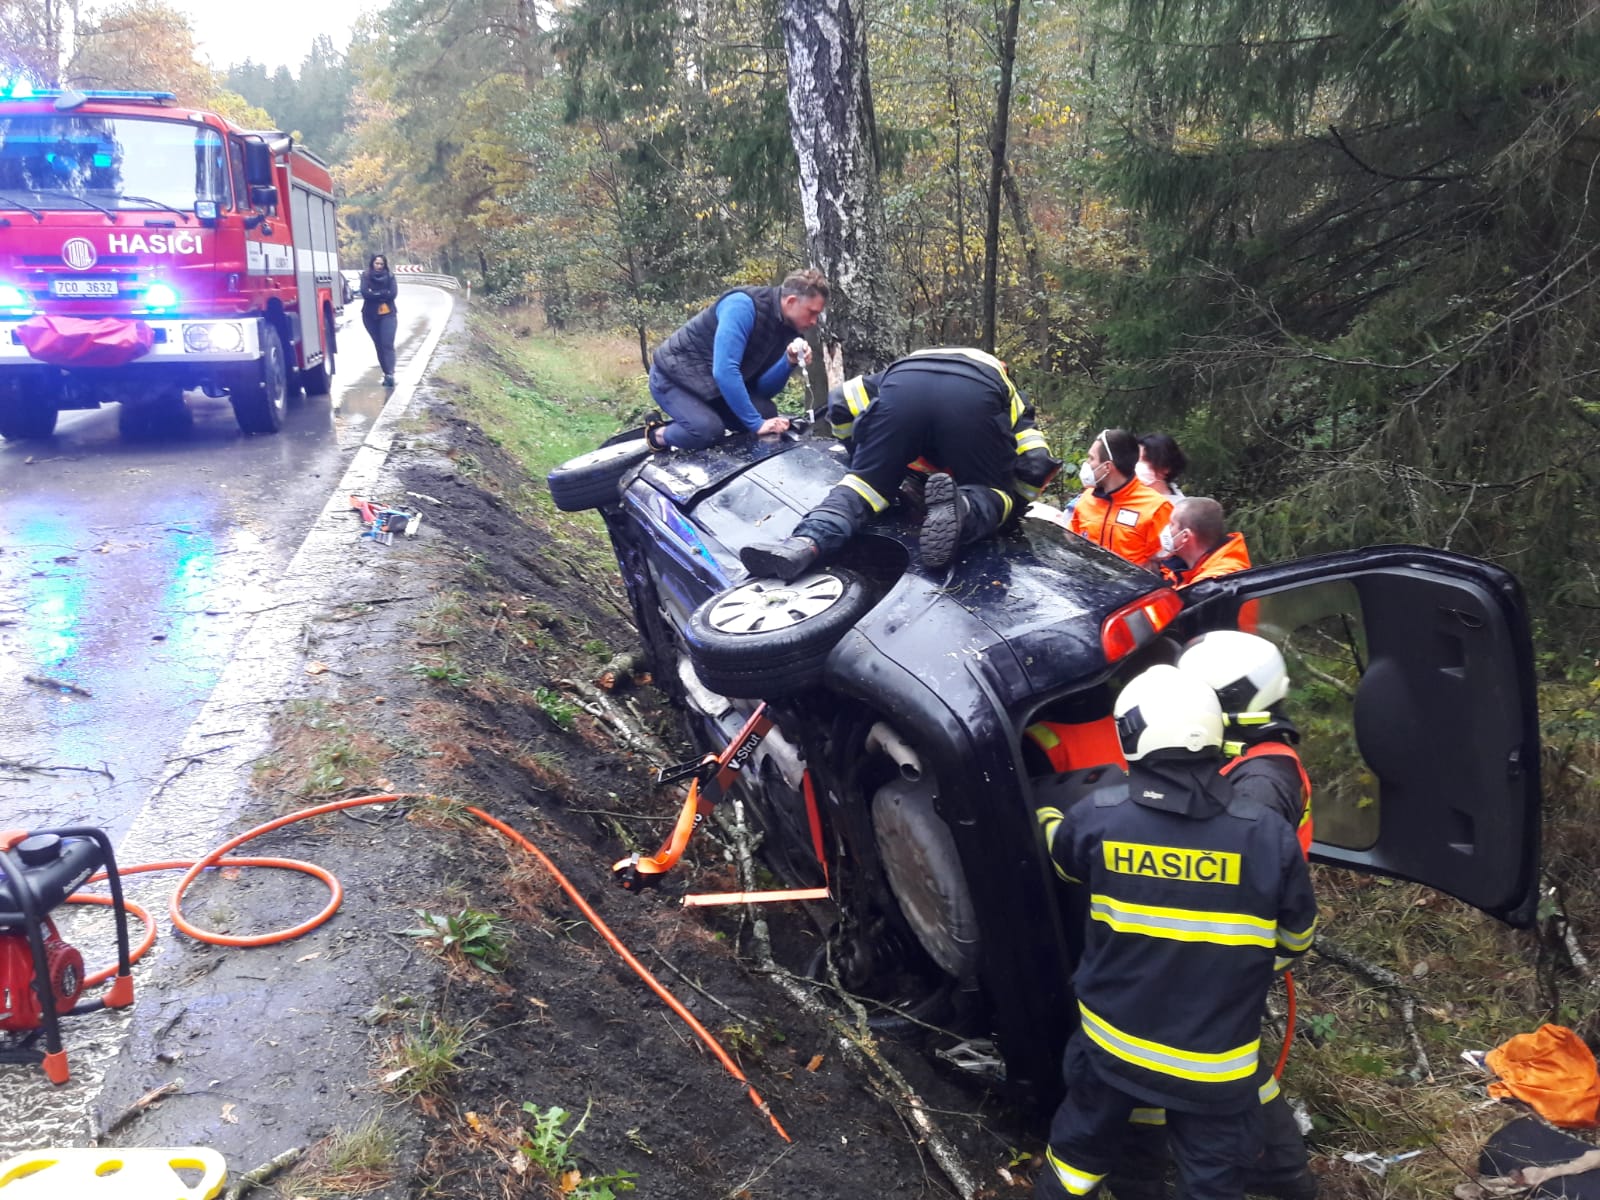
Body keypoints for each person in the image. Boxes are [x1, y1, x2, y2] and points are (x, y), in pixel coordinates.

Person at [1032, 665, 1318, 1200]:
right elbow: (1295, 940)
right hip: (1214, 1069)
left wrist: (1048, 815)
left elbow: (1067, 867)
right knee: (1212, 1183)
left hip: (1112, 1051)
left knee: (1076, 1161)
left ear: (1133, 735)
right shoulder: (1268, 835)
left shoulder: (1097, 817)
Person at [738, 347, 1061, 579]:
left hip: (903, 388)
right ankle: (964, 507)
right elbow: (1036, 462)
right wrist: (1012, 507)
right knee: (992, 491)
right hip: (972, 401)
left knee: (863, 487)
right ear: (1004, 369)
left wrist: (863, 457)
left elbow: (840, 402)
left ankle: (805, 542)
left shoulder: (907, 364)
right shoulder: (1003, 386)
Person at [645, 269, 829, 451]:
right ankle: (657, 434)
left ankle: (698, 418)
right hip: (673, 378)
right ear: (791, 302)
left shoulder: (788, 329)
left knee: (766, 412)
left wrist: (788, 361)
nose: (814, 321)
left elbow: (762, 390)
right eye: (811, 313)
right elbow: (725, 371)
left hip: (713, 388)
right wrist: (756, 424)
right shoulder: (742, 306)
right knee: (707, 431)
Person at [1069, 429, 1173, 567]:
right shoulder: (1087, 497)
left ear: (1107, 467)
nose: (1087, 463)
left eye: (1091, 458)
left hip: (1133, 587)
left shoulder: (1156, 508)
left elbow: (1168, 565)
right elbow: (1071, 544)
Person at [1156, 498, 1253, 587]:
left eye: (1172, 524)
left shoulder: (1215, 582)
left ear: (1185, 536)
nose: (1167, 528)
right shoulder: (1186, 569)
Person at [360, 254, 399, 387]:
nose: (379, 266)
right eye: (376, 263)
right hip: (369, 315)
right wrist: (383, 294)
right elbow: (365, 293)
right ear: (372, 264)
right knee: (379, 345)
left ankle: (390, 374)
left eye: (381, 264)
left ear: (384, 265)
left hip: (388, 314)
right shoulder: (366, 276)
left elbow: (392, 294)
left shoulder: (390, 276)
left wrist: (375, 294)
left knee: (387, 343)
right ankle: (386, 372)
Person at [1137, 432, 1187, 498]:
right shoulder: (1123, 501)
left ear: (1166, 467)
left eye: (1145, 459)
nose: (1136, 465)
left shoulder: (1182, 506)